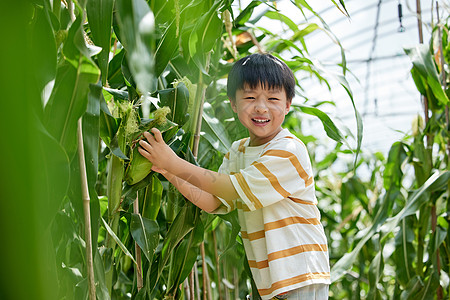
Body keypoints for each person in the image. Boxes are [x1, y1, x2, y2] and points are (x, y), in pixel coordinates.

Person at [138, 53, 330, 299]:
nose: (261, 107)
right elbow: (213, 200)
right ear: (233, 103)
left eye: (273, 98)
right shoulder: (237, 151)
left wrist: (174, 163)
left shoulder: (288, 150)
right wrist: (168, 171)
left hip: (301, 277)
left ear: (287, 104)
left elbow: (230, 188)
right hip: (269, 283)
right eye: (250, 97)